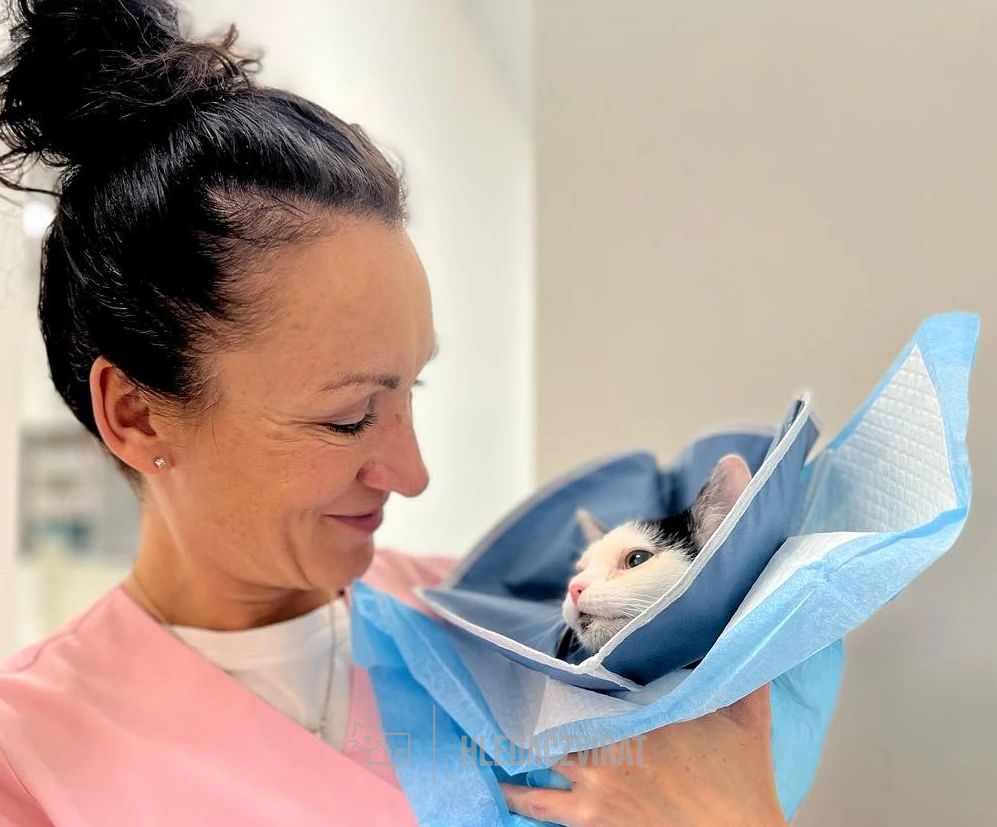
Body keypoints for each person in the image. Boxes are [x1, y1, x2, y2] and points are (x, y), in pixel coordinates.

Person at [0, 1, 787, 825]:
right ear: (136, 415)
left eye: (411, 392)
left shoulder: (490, 623)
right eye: (348, 417)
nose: (412, 476)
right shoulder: (32, 762)